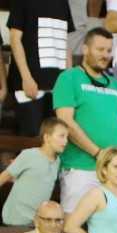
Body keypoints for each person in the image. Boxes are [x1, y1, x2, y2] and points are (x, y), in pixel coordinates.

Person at [52, 28, 117, 214]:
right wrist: (98, 154)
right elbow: (65, 122)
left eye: (108, 50)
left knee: (108, 229)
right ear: (86, 49)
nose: (105, 55)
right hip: (80, 168)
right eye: (100, 49)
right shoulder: (69, 77)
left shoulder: (116, 85)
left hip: (111, 172)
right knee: (74, 227)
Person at [6, 0, 73, 137]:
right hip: (30, 87)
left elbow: (65, 43)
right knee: (32, 142)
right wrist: (26, 78)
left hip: (57, 87)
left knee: (55, 143)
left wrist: (68, 81)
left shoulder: (63, 3)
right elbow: (15, 38)